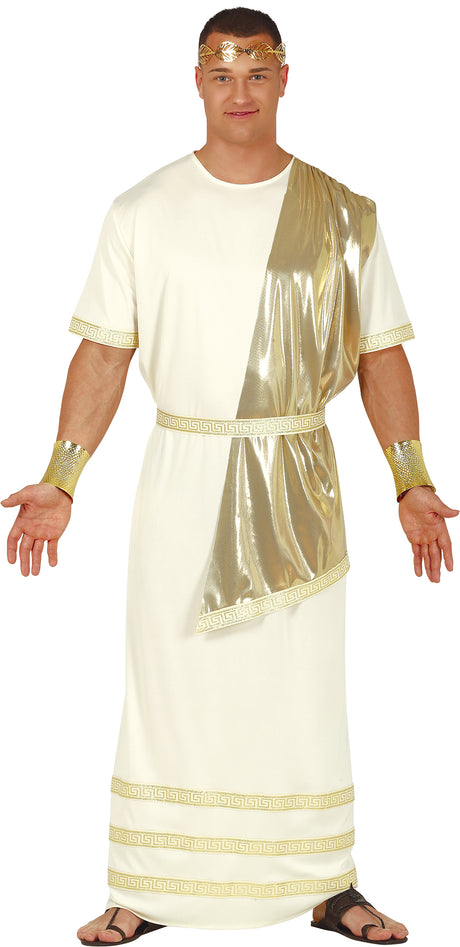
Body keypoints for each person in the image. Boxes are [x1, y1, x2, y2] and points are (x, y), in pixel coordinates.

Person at [1, 6, 458, 945]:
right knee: (169, 677)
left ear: (286, 78)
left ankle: (328, 884)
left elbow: (381, 355)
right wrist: (61, 478)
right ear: (197, 83)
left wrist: (410, 481)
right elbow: (104, 354)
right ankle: (145, 884)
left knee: (301, 686)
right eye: (221, 74)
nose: (238, 92)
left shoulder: (344, 213)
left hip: (299, 475)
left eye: (256, 73)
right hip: (183, 472)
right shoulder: (141, 210)